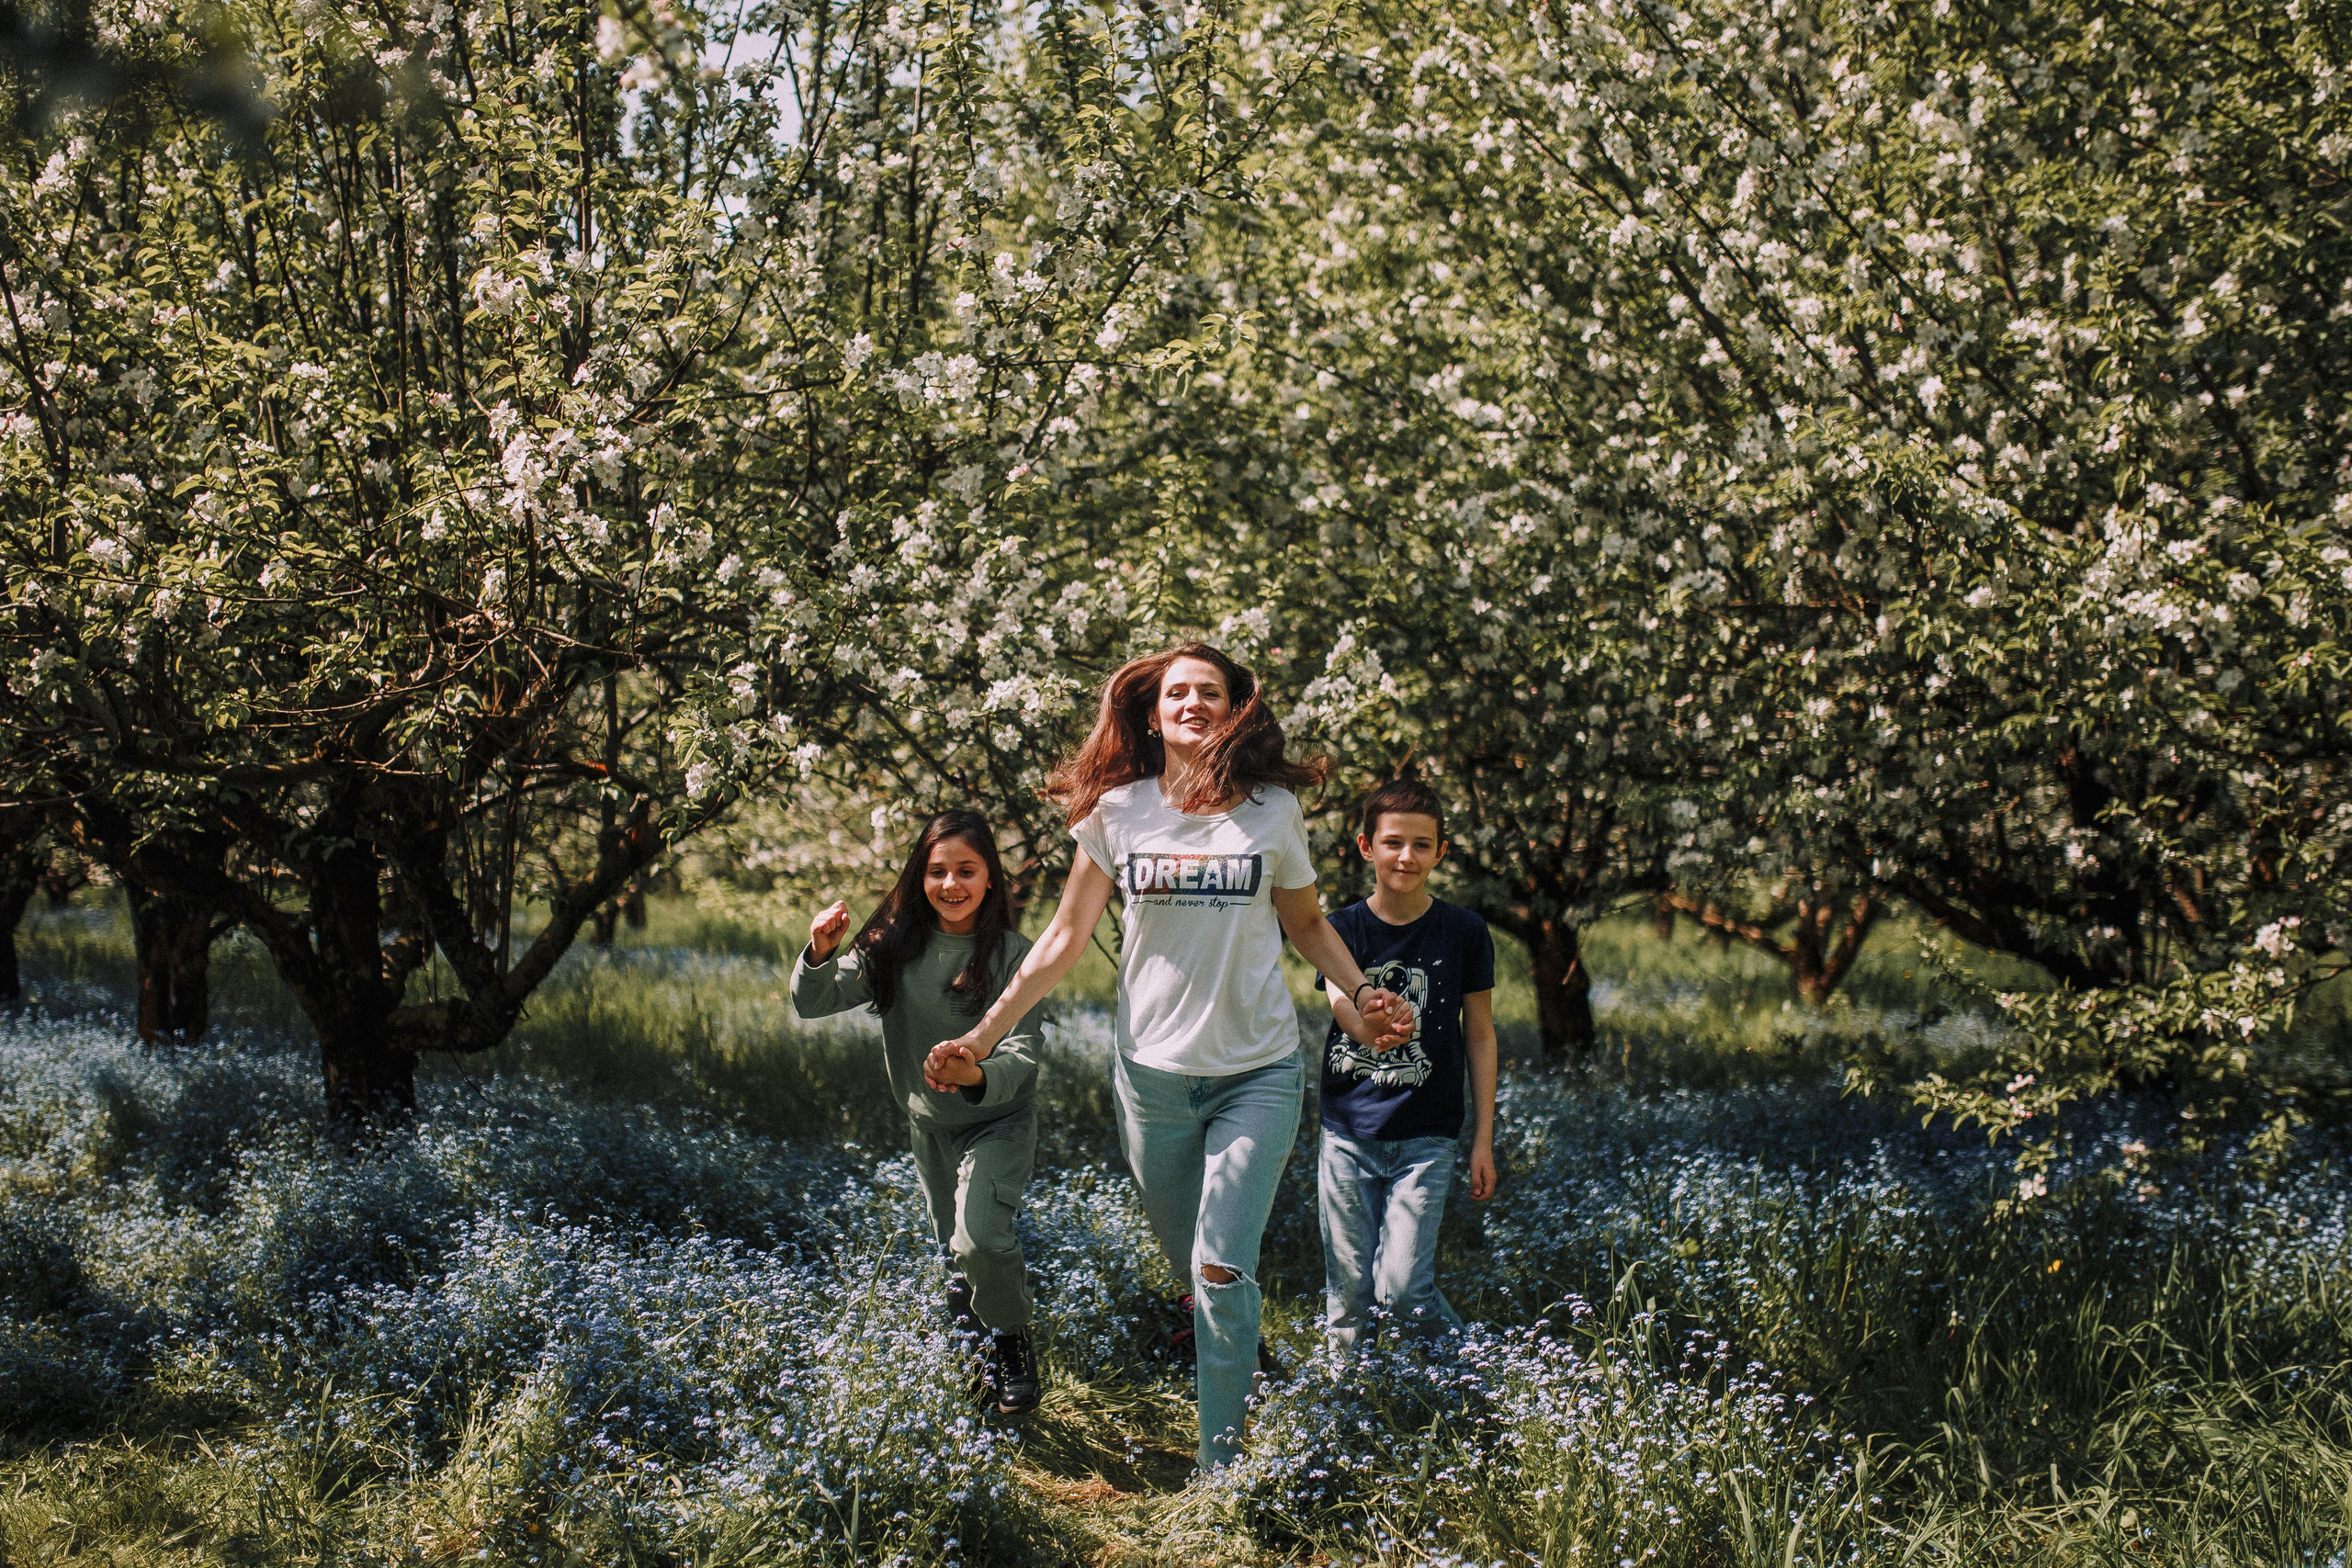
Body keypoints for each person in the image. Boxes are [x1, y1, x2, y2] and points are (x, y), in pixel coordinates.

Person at [923, 641, 1416, 1471]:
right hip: (1150, 1076)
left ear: (1233, 711)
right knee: (1191, 1262)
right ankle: (1246, 1359)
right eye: (1178, 692)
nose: (1193, 702)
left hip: (1256, 1070)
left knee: (1222, 1265)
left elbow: (1305, 924)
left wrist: (1362, 995)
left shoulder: (1272, 812)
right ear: (1154, 714)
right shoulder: (1118, 811)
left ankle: (1222, 1473)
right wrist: (983, 1035)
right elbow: (1062, 938)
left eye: (1211, 692)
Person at [789, 809, 1048, 1416]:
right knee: (953, 1253)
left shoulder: (1014, 953)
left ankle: (1012, 1340)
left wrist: (976, 1073)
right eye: (937, 871)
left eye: (966, 869)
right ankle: (975, 1371)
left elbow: (1024, 1054)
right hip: (929, 1127)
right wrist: (820, 952)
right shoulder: (893, 948)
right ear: (918, 877)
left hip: (998, 1119)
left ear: (990, 878)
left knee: (980, 1236)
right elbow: (814, 1001)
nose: (951, 884)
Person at [1317, 776, 1499, 1348]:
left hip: (1429, 1138)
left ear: (1440, 852)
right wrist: (1371, 1028)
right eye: (1393, 842)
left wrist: (1483, 1139)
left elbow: (1482, 1034)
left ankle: (1473, 1387)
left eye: (1422, 845)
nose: (1407, 856)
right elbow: (1342, 1006)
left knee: (1402, 1290)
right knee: (1348, 1295)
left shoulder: (1465, 932)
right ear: (1367, 847)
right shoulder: (1338, 931)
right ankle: (1339, 1416)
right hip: (1348, 1134)